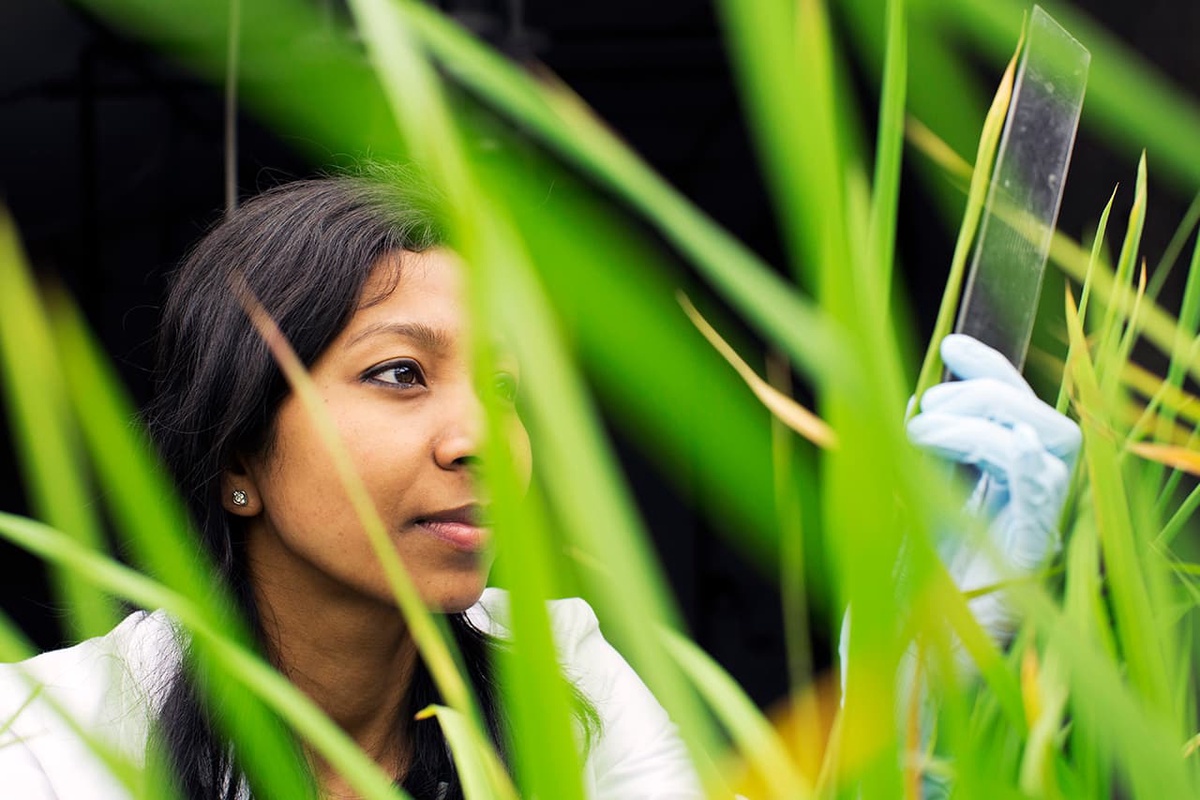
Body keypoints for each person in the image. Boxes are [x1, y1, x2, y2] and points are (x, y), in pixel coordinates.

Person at [0, 174, 1078, 799]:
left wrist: (917, 685)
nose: (479, 437)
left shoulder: (559, 677)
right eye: (399, 373)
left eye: (505, 387)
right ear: (238, 460)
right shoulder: (55, 737)